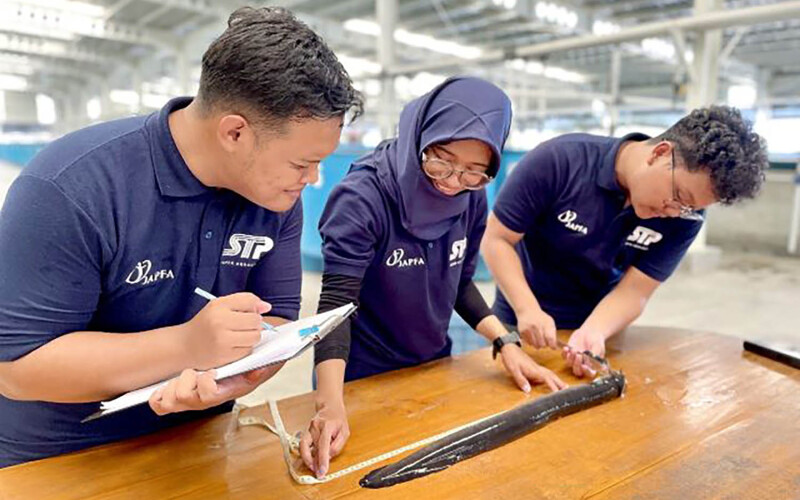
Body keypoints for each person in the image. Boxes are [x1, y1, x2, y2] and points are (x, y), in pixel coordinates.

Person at [0, 6, 362, 468]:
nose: (311, 180)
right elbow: (17, 367)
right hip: (59, 456)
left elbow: (278, 324)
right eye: (300, 164)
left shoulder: (276, 198)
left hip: (200, 441)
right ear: (235, 132)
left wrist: (237, 379)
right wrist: (186, 348)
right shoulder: (72, 188)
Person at [299, 77, 567, 478]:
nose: (452, 182)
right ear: (421, 137)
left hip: (432, 366)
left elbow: (458, 284)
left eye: (474, 172)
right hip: (358, 377)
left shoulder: (471, 197)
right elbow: (336, 308)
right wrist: (330, 404)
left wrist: (505, 342)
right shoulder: (363, 198)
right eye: (441, 161)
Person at [481, 106, 768, 378]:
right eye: (679, 196)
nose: (673, 213)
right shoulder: (559, 161)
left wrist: (595, 331)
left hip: (601, 326)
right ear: (660, 153)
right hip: (521, 318)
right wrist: (526, 308)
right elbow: (497, 239)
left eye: (688, 208)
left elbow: (637, 290)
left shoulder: (686, 217)